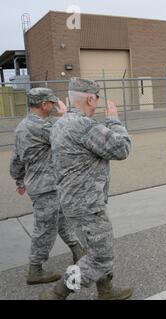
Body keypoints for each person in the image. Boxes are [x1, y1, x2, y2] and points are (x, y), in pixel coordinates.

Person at [40, 78, 133, 300]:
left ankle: (106, 291)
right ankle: (57, 293)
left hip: (75, 202)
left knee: (98, 248)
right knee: (100, 256)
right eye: (97, 98)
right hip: (87, 205)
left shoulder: (61, 123)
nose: (98, 102)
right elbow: (122, 148)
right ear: (90, 98)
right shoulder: (85, 126)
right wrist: (113, 120)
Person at [9, 88, 85, 285]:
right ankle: (35, 269)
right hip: (46, 187)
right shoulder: (41, 127)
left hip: (40, 184)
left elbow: (16, 158)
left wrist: (19, 180)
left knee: (59, 220)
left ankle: (78, 251)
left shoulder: (22, 126)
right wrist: (67, 114)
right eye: (51, 103)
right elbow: (68, 135)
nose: (53, 105)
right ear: (44, 104)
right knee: (45, 228)